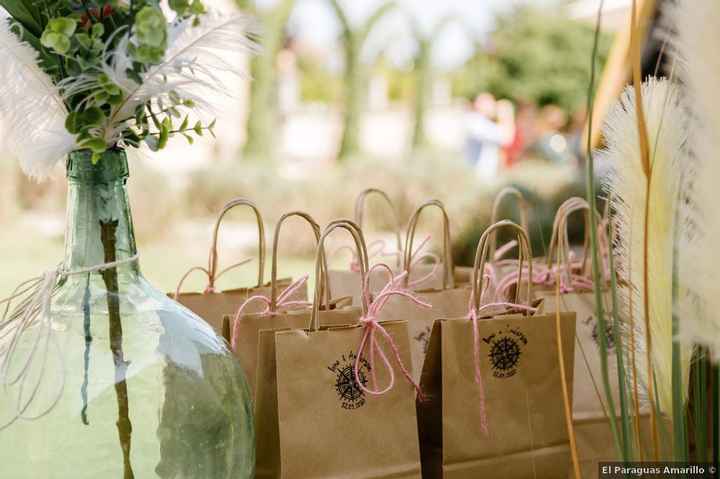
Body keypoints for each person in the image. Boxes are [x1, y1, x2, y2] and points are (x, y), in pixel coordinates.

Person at [464, 93, 515, 182]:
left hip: (484, 177)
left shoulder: (483, 122)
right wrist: (506, 115)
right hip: (475, 178)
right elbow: (505, 137)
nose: (493, 107)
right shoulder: (474, 120)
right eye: (491, 104)